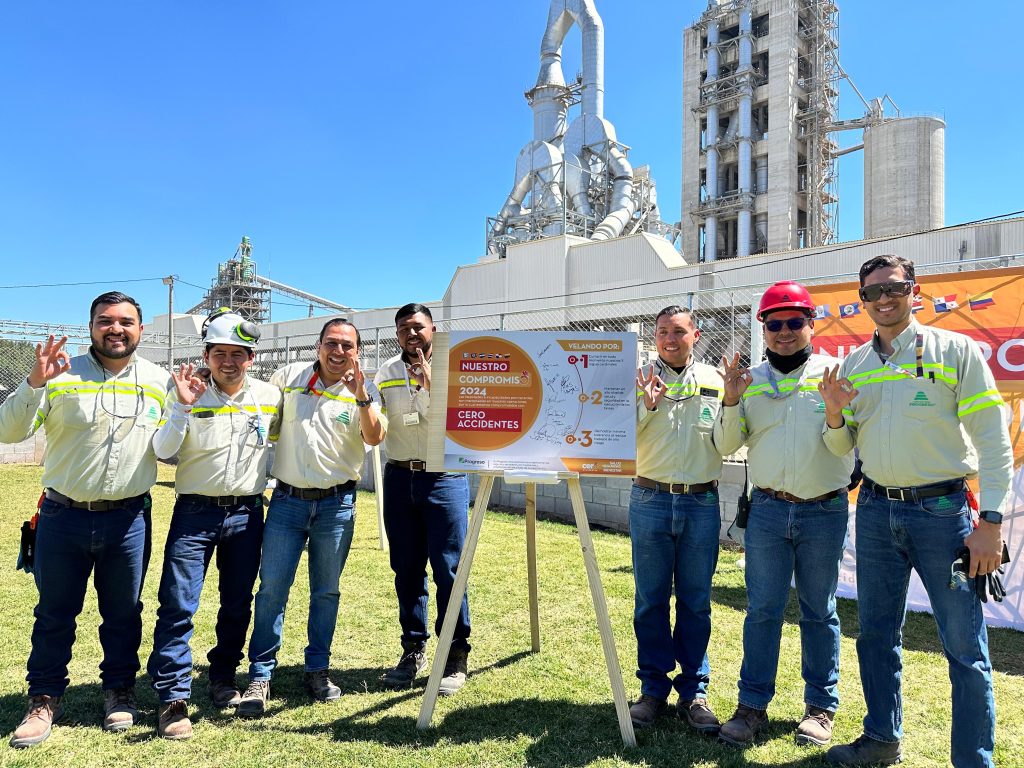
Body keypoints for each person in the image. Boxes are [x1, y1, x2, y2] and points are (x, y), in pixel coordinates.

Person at [819, 254, 1012, 768]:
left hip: (944, 514)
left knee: (964, 646)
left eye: (893, 288)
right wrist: (834, 415)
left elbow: (994, 442)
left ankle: (973, 760)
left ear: (915, 291)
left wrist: (991, 523)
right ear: (862, 301)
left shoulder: (956, 350)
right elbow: (840, 447)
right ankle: (882, 739)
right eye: (872, 292)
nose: (883, 299)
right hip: (875, 512)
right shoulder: (855, 365)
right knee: (876, 635)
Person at [0, 292, 172, 748]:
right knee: (54, 613)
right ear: (91, 326)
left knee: (123, 613)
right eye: (105, 321)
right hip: (63, 517)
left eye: (126, 322)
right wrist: (33, 382)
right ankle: (44, 698)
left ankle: (119, 691)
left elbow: (173, 444)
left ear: (140, 329)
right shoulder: (60, 374)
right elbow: (8, 431)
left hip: (128, 520)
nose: (116, 329)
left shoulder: (160, 381)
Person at [714, 281, 853, 748]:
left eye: (795, 322)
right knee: (763, 611)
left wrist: (834, 414)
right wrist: (730, 400)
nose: (785, 331)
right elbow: (726, 444)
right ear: (764, 330)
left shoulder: (833, 375)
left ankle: (820, 707)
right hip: (769, 511)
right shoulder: (747, 381)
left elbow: (844, 449)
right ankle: (752, 706)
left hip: (824, 510)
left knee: (819, 610)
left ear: (812, 324)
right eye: (775, 324)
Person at [236, 318, 386, 717]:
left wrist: (361, 397)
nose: (339, 352)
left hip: (337, 506)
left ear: (358, 352)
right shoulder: (289, 378)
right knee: (272, 590)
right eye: (331, 343)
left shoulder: (364, 390)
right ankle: (260, 675)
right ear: (318, 346)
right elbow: (259, 412)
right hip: (287, 503)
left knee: (326, 592)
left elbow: (374, 438)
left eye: (347, 346)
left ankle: (317, 669)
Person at [147, 310, 282, 739]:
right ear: (206, 356)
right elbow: (163, 449)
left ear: (251, 358)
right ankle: (173, 696)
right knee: (178, 603)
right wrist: (182, 407)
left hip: (247, 513)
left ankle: (223, 676)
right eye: (219, 353)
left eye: (238, 354)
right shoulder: (188, 392)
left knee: (237, 602)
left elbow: (280, 441)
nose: (228, 361)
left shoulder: (269, 396)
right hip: (195, 513)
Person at [627, 305, 724, 733]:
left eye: (679, 331)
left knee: (695, 601)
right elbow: (618, 438)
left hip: (701, 502)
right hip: (650, 498)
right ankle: (652, 689)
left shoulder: (715, 380)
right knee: (650, 600)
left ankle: (693, 692)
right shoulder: (637, 378)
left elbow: (729, 439)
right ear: (655, 336)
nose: (670, 339)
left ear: (695, 335)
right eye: (663, 331)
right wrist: (646, 406)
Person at [374, 304, 471, 695]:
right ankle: (413, 648)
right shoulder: (386, 372)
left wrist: (433, 384)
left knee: (450, 569)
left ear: (433, 328)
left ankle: (455, 654)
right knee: (406, 568)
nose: (411, 334)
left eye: (417, 327)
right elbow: (375, 421)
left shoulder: (454, 366)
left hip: (444, 477)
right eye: (403, 329)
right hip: (400, 476)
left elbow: (465, 421)